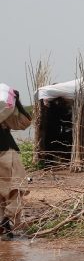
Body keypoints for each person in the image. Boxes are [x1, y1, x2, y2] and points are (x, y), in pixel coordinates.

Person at [0, 91, 32, 239]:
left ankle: (5, 226)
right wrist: (17, 101)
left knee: (3, 194)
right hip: (7, 154)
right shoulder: (4, 115)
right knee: (17, 189)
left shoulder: (3, 115)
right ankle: (5, 222)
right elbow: (25, 121)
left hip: (6, 154)